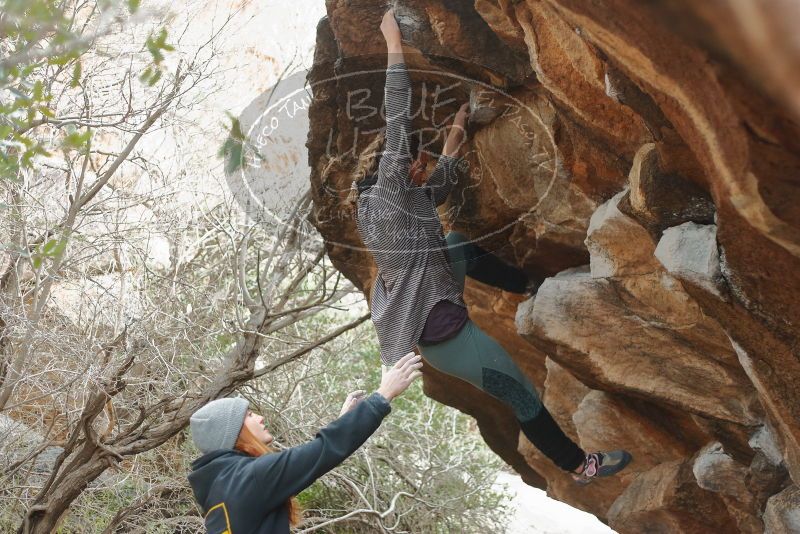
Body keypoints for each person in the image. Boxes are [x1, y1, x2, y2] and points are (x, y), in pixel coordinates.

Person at [351, 8, 632, 484]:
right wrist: (394, 44)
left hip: (438, 292)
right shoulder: (387, 200)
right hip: (446, 336)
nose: (419, 168)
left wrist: (456, 136)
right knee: (518, 391)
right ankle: (579, 465)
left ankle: (526, 286)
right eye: (415, 162)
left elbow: (436, 189)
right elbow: (397, 116)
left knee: (458, 242)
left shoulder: (394, 199)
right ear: (399, 166)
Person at [187, 352, 423, 533]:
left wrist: (344, 421)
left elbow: (305, 459)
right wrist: (382, 396)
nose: (259, 417)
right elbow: (322, 451)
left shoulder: (222, 489)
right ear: (233, 434)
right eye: (248, 416)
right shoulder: (249, 479)